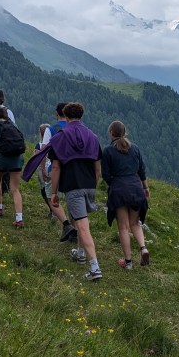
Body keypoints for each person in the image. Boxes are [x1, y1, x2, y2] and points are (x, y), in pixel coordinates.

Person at [48, 102, 104, 281]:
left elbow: (56, 167)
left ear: (65, 116)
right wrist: (93, 185)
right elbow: (97, 168)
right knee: (77, 218)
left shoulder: (60, 137)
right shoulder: (92, 137)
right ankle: (80, 253)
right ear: (81, 115)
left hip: (73, 185)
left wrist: (54, 192)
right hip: (89, 184)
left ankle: (95, 268)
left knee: (82, 225)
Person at [101, 120, 151, 269]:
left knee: (123, 227)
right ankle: (143, 248)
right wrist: (145, 187)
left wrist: (114, 184)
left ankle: (128, 262)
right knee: (135, 223)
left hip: (119, 191)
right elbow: (141, 170)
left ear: (111, 133)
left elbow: (105, 175)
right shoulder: (135, 149)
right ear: (124, 132)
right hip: (136, 188)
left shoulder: (108, 151)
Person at [40, 103, 75, 241]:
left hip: (55, 168)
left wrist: (42, 168)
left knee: (51, 198)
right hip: (73, 169)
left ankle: (66, 225)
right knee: (72, 200)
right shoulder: (75, 128)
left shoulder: (51, 129)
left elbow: (43, 151)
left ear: (57, 113)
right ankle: (76, 228)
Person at [0, 106, 25, 228]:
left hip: (2, 159)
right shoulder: (13, 125)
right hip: (17, 159)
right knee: (15, 189)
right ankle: (19, 219)